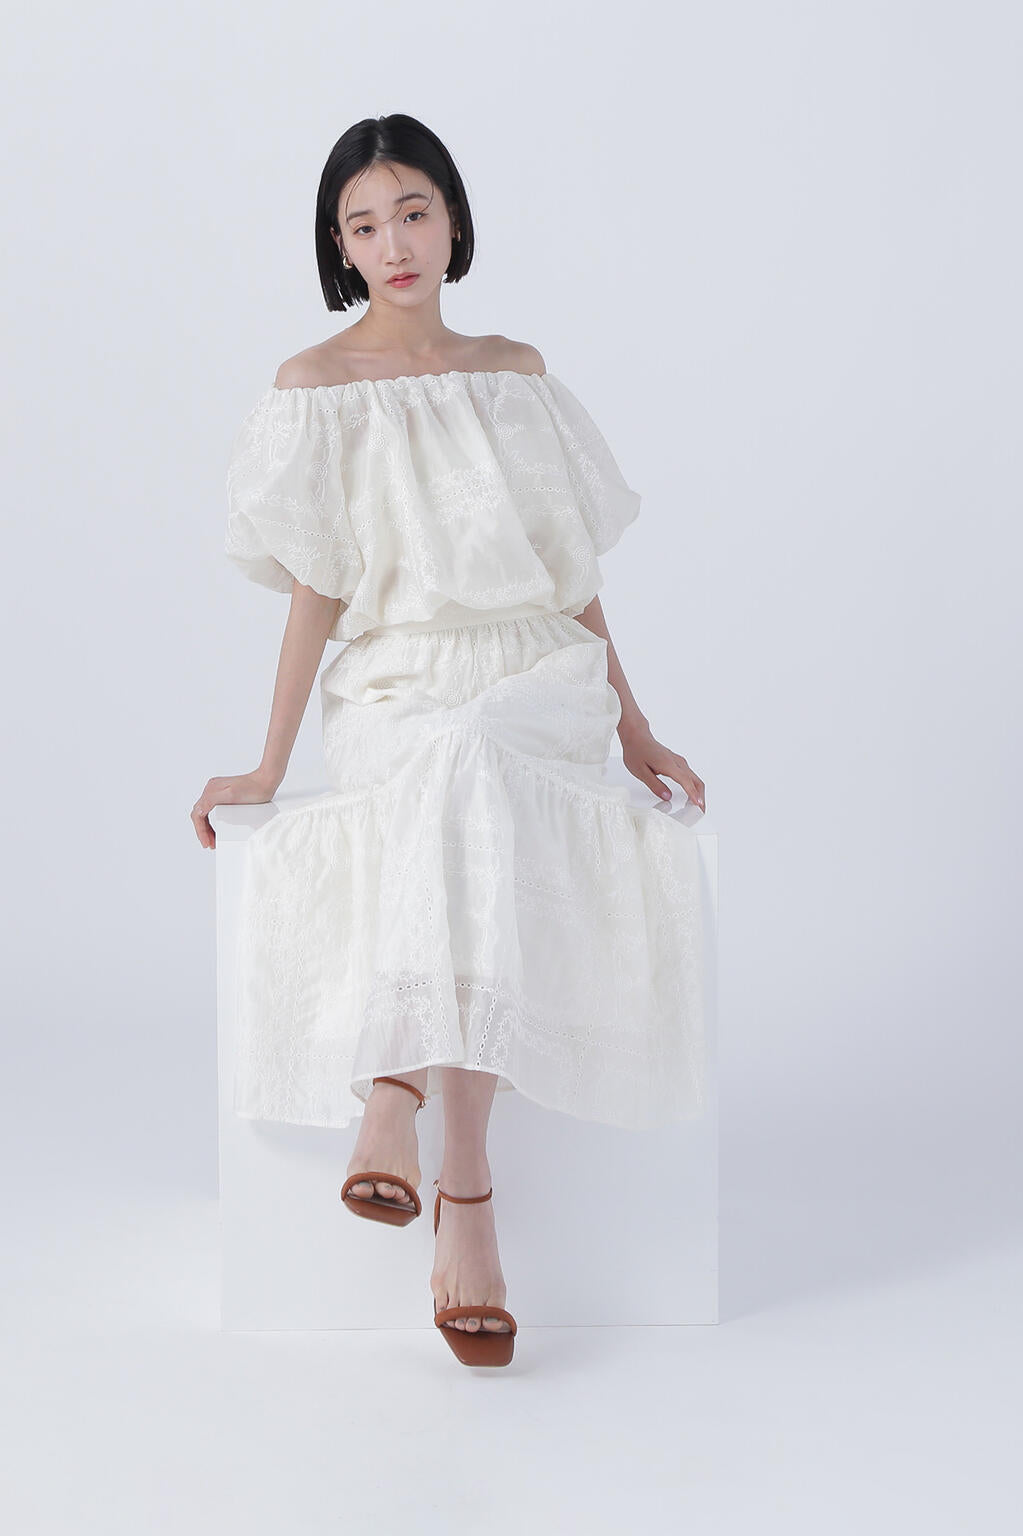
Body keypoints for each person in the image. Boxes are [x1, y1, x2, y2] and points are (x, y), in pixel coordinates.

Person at [191, 114, 708, 1367]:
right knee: (451, 761)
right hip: (395, 681)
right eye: (364, 224)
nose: (394, 243)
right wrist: (268, 764)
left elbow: (569, 576)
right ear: (339, 246)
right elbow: (318, 588)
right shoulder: (312, 388)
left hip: (532, 671)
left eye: (412, 212)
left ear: (453, 219)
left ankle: (398, 1095)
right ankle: (463, 1193)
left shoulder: (514, 371)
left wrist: (634, 726)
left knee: (478, 754)